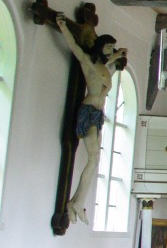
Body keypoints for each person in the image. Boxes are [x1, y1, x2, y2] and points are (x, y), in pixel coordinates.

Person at [54, 12, 128, 224]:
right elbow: (75, 48)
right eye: (107, 47)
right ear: (99, 46)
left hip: (98, 114)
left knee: (95, 160)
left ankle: (77, 202)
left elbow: (109, 59)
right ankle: (76, 203)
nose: (110, 51)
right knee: (93, 158)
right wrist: (63, 27)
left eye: (111, 48)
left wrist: (118, 54)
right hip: (88, 111)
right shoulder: (88, 63)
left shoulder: (104, 67)